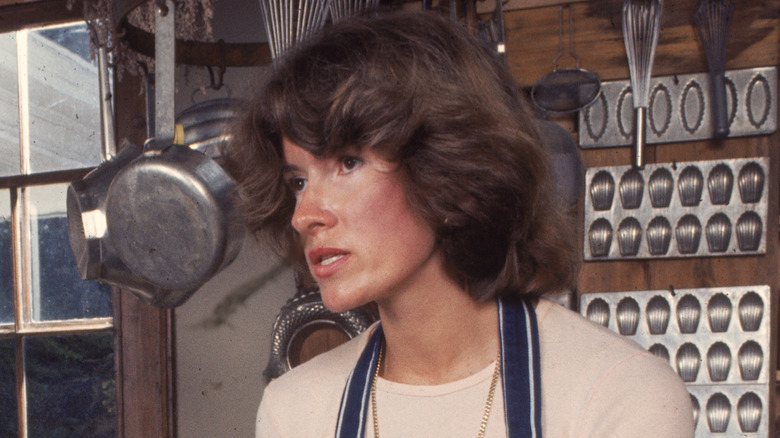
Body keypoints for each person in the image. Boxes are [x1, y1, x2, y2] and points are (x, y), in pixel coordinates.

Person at [225, 9, 694, 438]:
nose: (305, 215)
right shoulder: (296, 411)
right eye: (299, 181)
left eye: (348, 163)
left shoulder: (617, 396)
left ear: (450, 166)